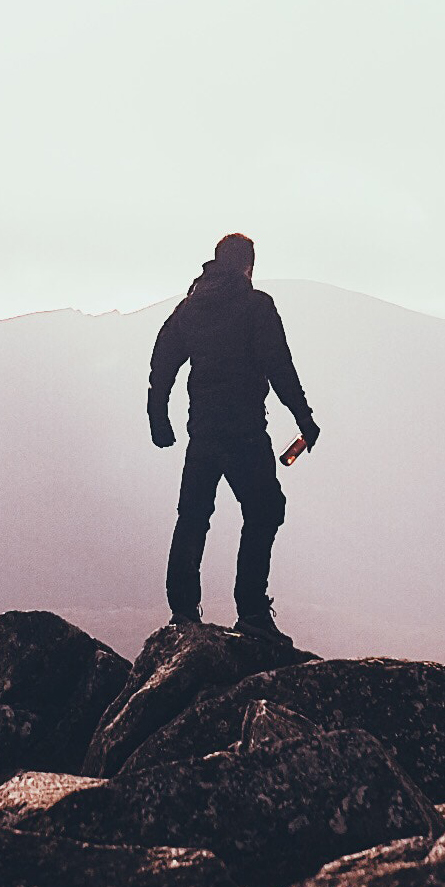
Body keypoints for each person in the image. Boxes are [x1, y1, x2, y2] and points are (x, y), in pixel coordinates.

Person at [148, 232, 321, 641]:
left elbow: (162, 361)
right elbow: (279, 366)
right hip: (244, 432)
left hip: (203, 433)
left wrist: (159, 418)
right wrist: (304, 419)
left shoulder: (190, 308)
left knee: (192, 517)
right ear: (248, 265)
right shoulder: (256, 306)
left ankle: (184, 614)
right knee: (265, 511)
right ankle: (252, 613)